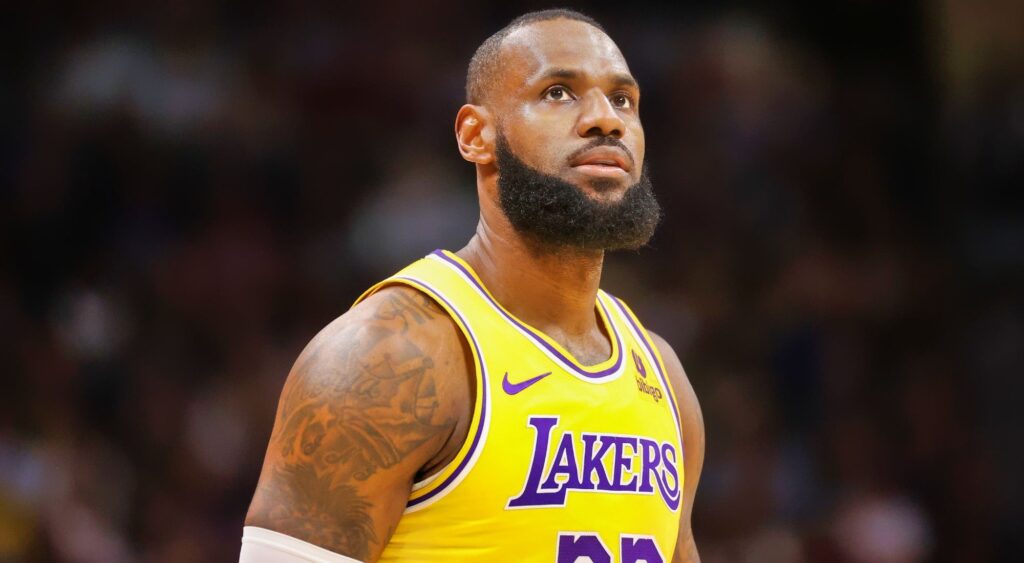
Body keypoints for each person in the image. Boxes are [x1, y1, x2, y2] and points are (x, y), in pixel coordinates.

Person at [240, 8, 705, 563]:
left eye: (623, 99)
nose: (605, 119)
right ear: (475, 135)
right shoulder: (388, 357)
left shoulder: (663, 377)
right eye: (558, 93)